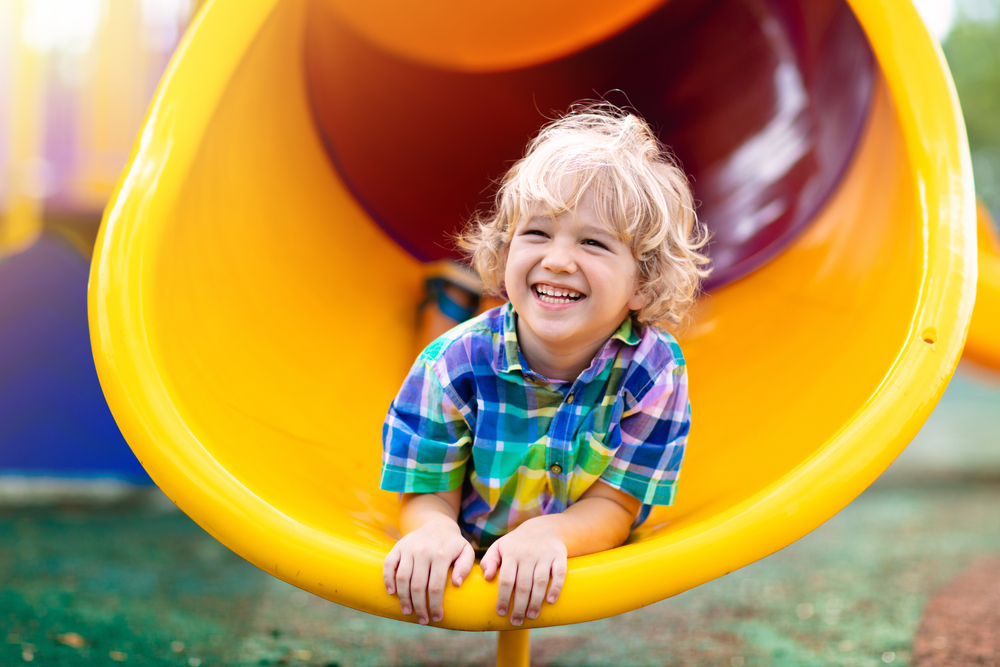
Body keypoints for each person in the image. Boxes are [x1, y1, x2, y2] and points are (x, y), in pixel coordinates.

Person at [380, 103, 710, 628]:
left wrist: (550, 534)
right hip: (476, 503)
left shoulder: (653, 371)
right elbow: (425, 491)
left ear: (642, 284)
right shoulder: (450, 365)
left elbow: (616, 506)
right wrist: (433, 530)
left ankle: (450, 297)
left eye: (593, 242)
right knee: (450, 352)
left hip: (565, 521)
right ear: (505, 248)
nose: (557, 259)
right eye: (536, 234)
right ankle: (445, 300)